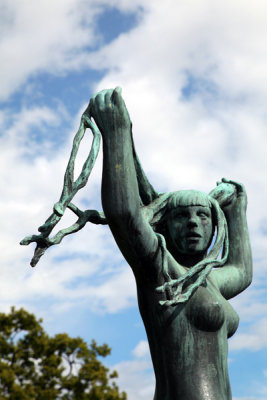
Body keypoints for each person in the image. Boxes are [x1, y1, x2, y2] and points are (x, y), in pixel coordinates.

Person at [87, 87, 252, 400]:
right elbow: (125, 215)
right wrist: (117, 132)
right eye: (182, 216)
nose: (193, 222)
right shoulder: (160, 270)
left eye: (203, 216)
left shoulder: (207, 279)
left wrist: (236, 210)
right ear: (164, 226)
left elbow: (241, 271)